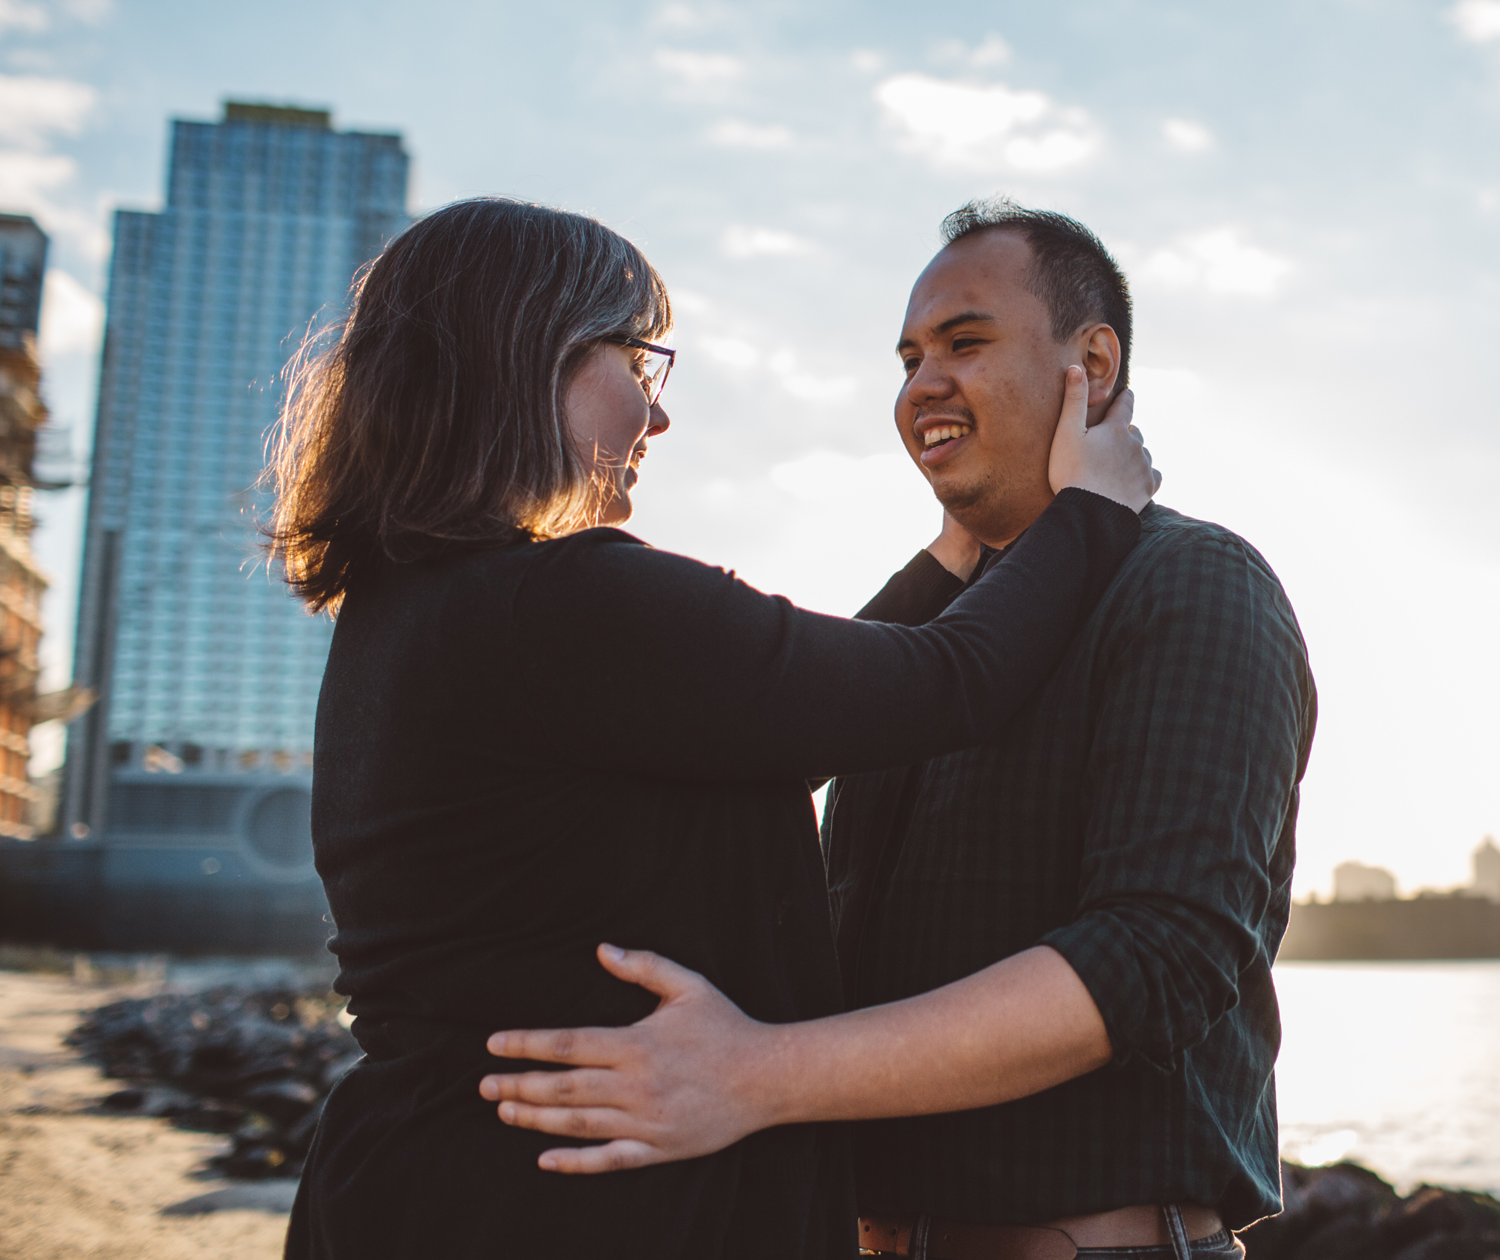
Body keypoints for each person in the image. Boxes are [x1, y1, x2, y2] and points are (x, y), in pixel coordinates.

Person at [267, 196, 1158, 1259]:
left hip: (423, 1186)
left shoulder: (411, 611)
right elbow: (947, 683)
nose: (656, 417)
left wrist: (955, 551)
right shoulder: (562, 605)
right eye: (640, 366)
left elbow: (785, 712)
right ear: (532, 351)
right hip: (563, 1211)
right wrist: (1092, 509)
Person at [483, 200, 1315, 1260]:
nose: (923, 382)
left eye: (966, 343)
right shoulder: (941, 632)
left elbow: (1159, 954)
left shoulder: (1194, 581)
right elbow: (771, 743)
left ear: (1090, 365)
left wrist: (754, 1072)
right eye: (909, 357)